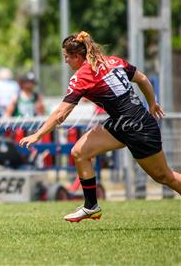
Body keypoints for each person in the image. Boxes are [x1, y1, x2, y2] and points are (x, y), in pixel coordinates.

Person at [19, 31, 181, 222]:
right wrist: (152, 103)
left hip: (137, 127)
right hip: (123, 123)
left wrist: (37, 135)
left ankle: (91, 206)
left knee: (164, 176)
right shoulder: (113, 61)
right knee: (79, 152)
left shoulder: (82, 76)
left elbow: (61, 114)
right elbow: (143, 79)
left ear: (78, 56)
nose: (66, 62)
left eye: (66, 57)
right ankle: (91, 207)